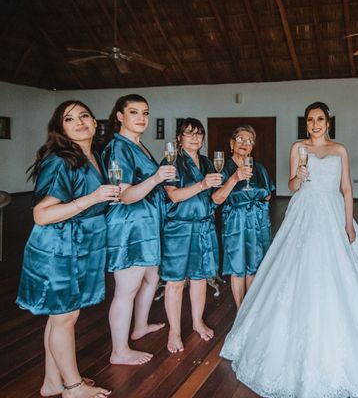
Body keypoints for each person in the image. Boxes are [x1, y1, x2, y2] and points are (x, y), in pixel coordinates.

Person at [220, 102, 358, 397]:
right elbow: (292, 186)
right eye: (310, 119)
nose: (315, 124)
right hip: (303, 211)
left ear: (328, 122)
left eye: (320, 119)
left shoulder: (340, 150)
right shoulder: (298, 146)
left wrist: (348, 223)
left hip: (333, 211)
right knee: (294, 271)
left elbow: (347, 188)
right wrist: (299, 174)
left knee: (342, 272)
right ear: (306, 123)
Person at [17, 100, 118, 397]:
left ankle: (52, 383)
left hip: (83, 241)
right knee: (64, 317)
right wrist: (94, 198)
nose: (79, 122)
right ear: (61, 129)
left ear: (95, 122)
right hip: (59, 244)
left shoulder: (95, 156)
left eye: (84, 115)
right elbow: (41, 214)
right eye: (69, 119)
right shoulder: (60, 160)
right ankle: (73, 388)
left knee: (60, 316)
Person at [101, 94, 175, 365]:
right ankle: (119, 351)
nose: (142, 118)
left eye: (145, 112)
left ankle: (140, 325)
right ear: (120, 116)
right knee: (127, 288)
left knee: (151, 278)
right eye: (134, 112)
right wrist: (157, 178)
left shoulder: (138, 144)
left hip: (147, 222)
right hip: (129, 225)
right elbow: (125, 196)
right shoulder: (117, 147)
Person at [162, 118, 222, 353]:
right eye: (189, 133)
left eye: (199, 134)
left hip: (204, 226)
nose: (195, 138)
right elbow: (173, 196)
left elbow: (214, 197)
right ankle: (174, 331)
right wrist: (203, 184)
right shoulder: (172, 161)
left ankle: (197, 322)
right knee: (175, 281)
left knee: (199, 278)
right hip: (179, 228)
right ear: (179, 138)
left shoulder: (208, 162)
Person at [213, 125, 275, 308]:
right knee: (238, 266)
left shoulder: (259, 168)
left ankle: (251, 309)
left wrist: (261, 198)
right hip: (235, 221)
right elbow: (216, 198)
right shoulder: (223, 168)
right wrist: (234, 178)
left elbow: (268, 192)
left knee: (255, 265)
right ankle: (241, 310)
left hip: (258, 220)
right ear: (232, 143)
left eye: (249, 141)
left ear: (252, 147)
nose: (244, 144)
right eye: (240, 139)